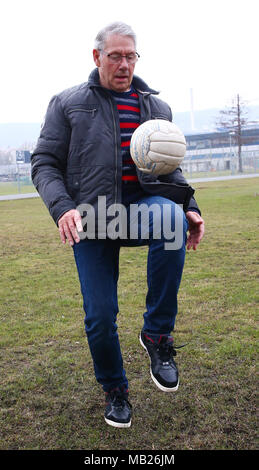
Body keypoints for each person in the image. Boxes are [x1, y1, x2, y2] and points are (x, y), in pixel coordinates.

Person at [31, 21, 205, 428]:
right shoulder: (68, 103)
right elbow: (44, 163)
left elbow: (170, 171)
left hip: (143, 211)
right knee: (99, 316)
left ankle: (156, 336)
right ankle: (116, 390)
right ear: (97, 57)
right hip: (92, 219)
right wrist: (63, 209)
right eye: (115, 56)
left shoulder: (156, 108)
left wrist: (190, 206)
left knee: (170, 217)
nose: (124, 63)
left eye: (131, 56)